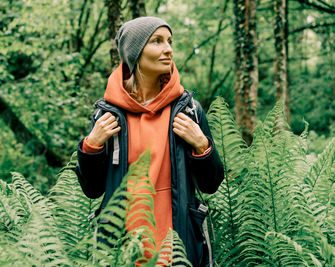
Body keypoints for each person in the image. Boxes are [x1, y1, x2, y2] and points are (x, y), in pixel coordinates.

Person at [75, 16, 224, 266]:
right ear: (135, 53)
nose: (168, 49)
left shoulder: (189, 111)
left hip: (178, 247)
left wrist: (202, 145)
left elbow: (212, 183)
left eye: (170, 41)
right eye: (157, 41)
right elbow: (93, 189)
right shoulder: (107, 115)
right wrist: (91, 146)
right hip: (123, 249)